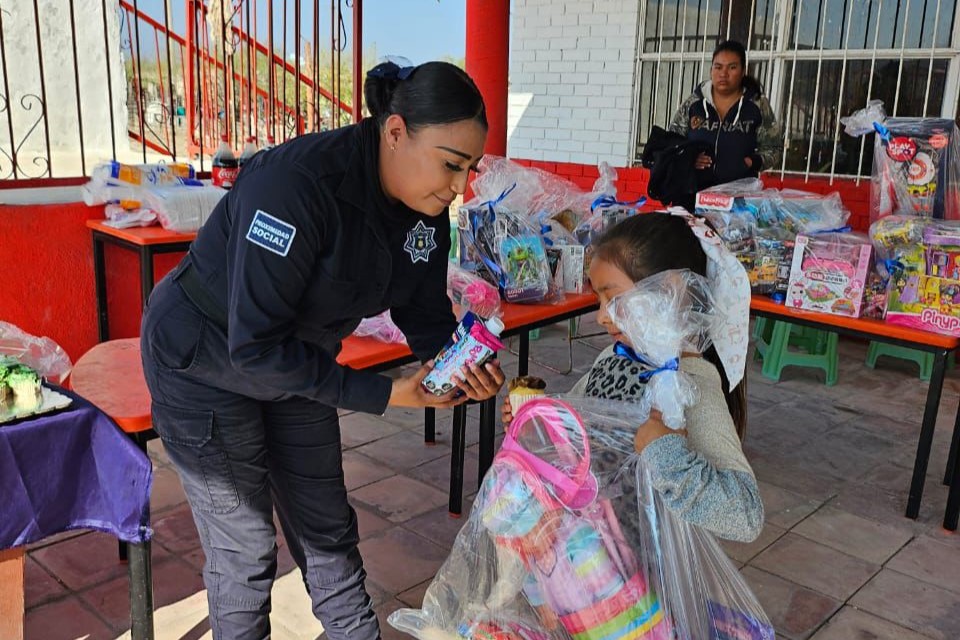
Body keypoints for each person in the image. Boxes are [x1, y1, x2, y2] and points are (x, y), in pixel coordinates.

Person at [141, 60, 505, 640]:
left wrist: (461, 363)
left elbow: (423, 311)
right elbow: (253, 346)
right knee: (246, 550)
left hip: (297, 360)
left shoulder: (427, 211)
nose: (460, 187)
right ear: (394, 132)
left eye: (470, 169)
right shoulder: (294, 186)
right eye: (450, 164)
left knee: (327, 529)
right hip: (204, 357)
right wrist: (387, 394)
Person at [502, 212, 762, 543]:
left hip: (648, 577)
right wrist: (539, 418)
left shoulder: (694, 386)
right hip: (587, 555)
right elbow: (581, 428)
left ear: (670, 290)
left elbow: (746, 517)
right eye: (599, 299)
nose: (600, 316)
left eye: (614, 297)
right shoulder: (612, 357)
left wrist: (667, 453)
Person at [669, 40, 782, 191]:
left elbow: (773, 148)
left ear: (742, 71)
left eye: (732, 67)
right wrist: (688, 158)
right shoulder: (694, 103)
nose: (724, 74)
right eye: (718, 67)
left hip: (739, 197)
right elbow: (671, 142)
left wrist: (751, 162)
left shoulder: (757, 105)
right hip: (693, 193)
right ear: (711, 70)